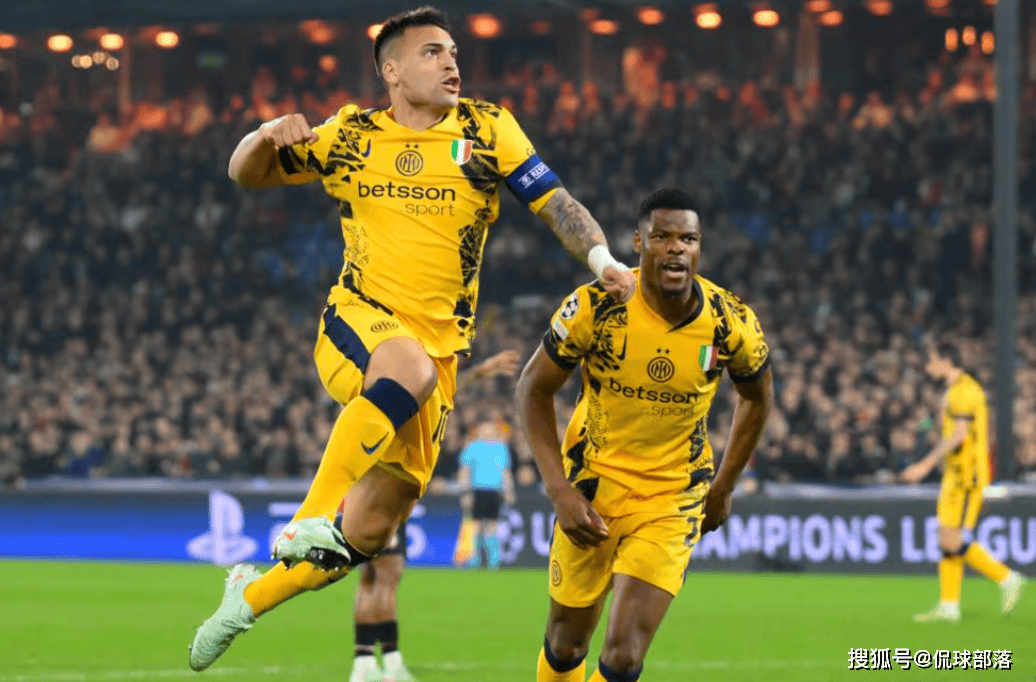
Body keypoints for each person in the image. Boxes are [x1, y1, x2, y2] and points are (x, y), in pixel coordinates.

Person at [188, 6, 636, 671]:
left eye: (453, 51)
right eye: (432, 52)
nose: (451, 62)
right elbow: (244, 173)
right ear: (392, 72)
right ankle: (306, 517)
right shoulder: (350, 134)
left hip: (440, 358)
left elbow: (556, 203)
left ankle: (246, 599)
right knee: (407, 369)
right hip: (360, 321)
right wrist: (263, 134)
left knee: (365, 536)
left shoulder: (488, 129)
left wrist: (603, 261)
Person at [515, 188, 773, 682]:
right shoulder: (596, 306)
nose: (677, 248)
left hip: (672, 498)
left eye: (688, 239)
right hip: (593, 488)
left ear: (699, 248)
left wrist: (723, 487)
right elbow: (533, 388)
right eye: (663, 237)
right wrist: (559, 490)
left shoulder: (729, 322)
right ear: (638, 243)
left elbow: (758, 397)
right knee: (566, 643)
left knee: (625, 653)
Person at [349, 349, 520, 682]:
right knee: (388, 577)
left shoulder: (364, 402)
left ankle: (364, 664)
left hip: (362, 495)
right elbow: (437, 390)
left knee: (368, 579)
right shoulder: (395, 405)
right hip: (382, 499)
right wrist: (480, 371)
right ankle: (391, 664)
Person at [901, 341, 1026, 623]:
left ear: (946, 361)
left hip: (967, 477)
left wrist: (923, 465)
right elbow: (948, 429)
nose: (928, 367)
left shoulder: (964, 391)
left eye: (932, 360)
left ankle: (1007, 578)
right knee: (947, 537)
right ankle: (949, 605)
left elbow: (958, 436)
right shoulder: (955, 390)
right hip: (955, 474)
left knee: (951, 537)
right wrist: (927, 427)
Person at [458, 421, 517, 569]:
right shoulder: (472, 447)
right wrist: (465, 492)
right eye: (485, 430)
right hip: (477, 490)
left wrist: (509, 491)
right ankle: (474, 560)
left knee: (492, 525)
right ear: (479, 432)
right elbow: (465, 471)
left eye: (490, 430)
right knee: (476, 525)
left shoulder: (501, 448)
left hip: (495, 491)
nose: (488, 433)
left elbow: (505, 471)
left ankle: (493, 561)